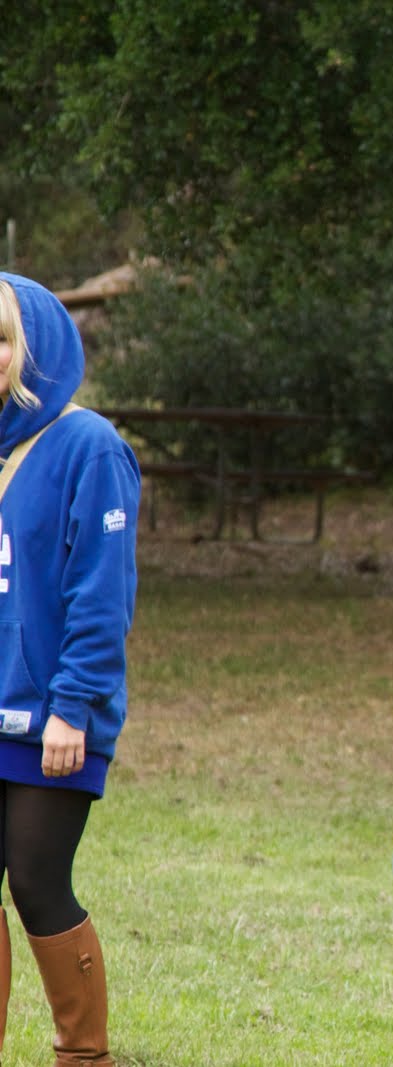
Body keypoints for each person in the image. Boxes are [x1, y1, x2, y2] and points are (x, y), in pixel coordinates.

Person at [0, 273, 139, 1066]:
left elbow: (101, 591)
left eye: (2, 338)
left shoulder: (90, 446)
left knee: (36, 880)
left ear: (35, 348)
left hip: (53, 718)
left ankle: (83, 1056)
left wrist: (72, 705)